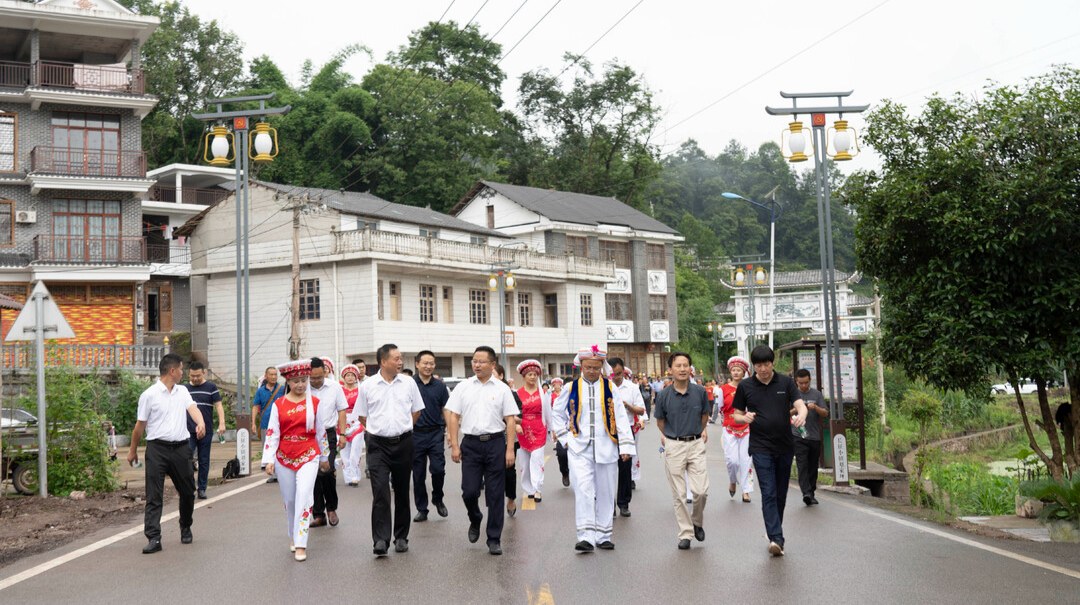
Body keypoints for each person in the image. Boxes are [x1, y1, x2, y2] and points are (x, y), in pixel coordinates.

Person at [552, 345, 635, 552]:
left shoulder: (610, 388)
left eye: (595, 368)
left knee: (606, 492)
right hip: (579, 448)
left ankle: (604, 534)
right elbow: (557, 413)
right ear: (581, 366)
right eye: (587, 367)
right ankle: (586, 536)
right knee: (583, 490)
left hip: (607, 447)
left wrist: (625, 445)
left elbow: (621, 417)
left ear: (601, 368)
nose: (591, 371)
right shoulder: (571, 388)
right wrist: (565, 439)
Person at [731, 345, 808, 557]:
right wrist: (744, 418)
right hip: (760, 446)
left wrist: (802, 414)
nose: (763, 369)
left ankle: (775, 532)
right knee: (768, 491)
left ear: (773, 363)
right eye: (758, 365)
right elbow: (736, 415)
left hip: (784, 445)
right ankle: (776, 537)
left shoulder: (785, 382)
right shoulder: (746, 386)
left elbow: (800, 404)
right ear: (753, 367)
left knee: (781, 494)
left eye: (766, 364)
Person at [127, 353, 205, 554]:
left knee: (188, 491)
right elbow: (139, 426)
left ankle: (185, 525)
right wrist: (132, 450)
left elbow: (193, 408)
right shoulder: (149, 395)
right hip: (157, 450)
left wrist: (200, 422)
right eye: (181, 369)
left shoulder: (183, 392)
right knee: (154, 495)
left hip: (180, 448)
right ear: (172, 371)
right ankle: (154, 537)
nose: (182, 373)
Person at [446, 346, 519, 555]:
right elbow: (453, 416)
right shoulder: (463, 387)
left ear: (492, 364)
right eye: (474, 361)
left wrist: (510, 449)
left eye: (481, 361)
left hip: (496, 443)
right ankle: (475, 517)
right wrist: (456, 445)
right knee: (469, 491)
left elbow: (510, 420)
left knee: (496, 493)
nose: (477, 365)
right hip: (471, 444)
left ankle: (494, 538)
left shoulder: (502, 389)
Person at [356, 344, 425, 556]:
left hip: (404, 443)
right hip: (377, 445)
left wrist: (403, 427)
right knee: (381, 492)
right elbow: (362, 416)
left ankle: (401, 537)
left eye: (400, 358)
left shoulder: (408, 383)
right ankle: (380, 540)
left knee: (403, 491)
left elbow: (416, 411)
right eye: (396, 358)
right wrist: (379, 430)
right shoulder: (368, 386)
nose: (400, 362)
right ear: (383, 361)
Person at [261, 359, 331, 562]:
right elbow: (273, 433)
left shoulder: (315, 404)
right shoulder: (278, 405)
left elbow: (320, 432)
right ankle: (293, 533)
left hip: (309, 454)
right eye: (296, 381)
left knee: (304, 495)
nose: (301, 384)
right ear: (288, 382)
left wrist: (325, 456)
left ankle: (301, 542)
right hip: (284, 457)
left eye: (303, 380)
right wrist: (269, 460)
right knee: (290, 500)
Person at [653, 352, 711, 550]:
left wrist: (695, 432)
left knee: (701, 491)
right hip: (674, 445)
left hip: (695, 444)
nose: (682, 369)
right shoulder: (663, 395)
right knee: (679, 493)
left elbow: (705, 416)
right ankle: (686, 533)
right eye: (678, 365)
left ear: (690, 368)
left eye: (686, 365)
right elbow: (660, 422)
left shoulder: (700, 391)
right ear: (670, 370)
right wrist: (672, 436)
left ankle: (697, 522)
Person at [308, 358, 347, 528]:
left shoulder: (334, 387)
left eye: (319, 377)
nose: (316, 381)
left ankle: (331, 508)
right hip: (309, 435)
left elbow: (342, 410)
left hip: (329, 434)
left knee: (327, 470)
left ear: (325, 372)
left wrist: (343, 434)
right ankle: (318, 514)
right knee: (313, 475)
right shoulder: (302, 387)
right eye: (312, 378)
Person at [413, 350, 450, 522]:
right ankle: (422, 508)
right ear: (417, 364)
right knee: (418, 474)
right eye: (425, 363)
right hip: (416, 435)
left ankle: (438, 498)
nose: (428, 366)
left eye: (431, 363)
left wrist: (450, 432)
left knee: (438, 469)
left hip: (436, 433)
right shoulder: (410, 384)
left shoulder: (440, 386)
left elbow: (446, 409)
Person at [184, 361, 225, 499]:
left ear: (204, 373)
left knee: (204, 460)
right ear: (188, 374)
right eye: (192, 376)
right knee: (186, 460)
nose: (195, 378)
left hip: (206, 430)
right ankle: (189, 488)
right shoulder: (184, 389)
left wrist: (222, 423)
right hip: (188, 430)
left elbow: (218, 406)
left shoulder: (211, 387)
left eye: (198, 376)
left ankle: (202, 488)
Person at [611, 360, 646, 517]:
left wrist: (627, 406)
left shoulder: (632, 388)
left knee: (625, 469)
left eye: (619, 374)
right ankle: (608, 504)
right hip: (607, 433)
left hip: (626, 432)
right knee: (607, 470)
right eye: (613, 374)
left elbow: (641, 410)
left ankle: (624, 503)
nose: (616, 377)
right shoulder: (604, 386)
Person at [515, 359, 551, 503]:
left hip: (538, 428)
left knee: (537, 460)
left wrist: (552, 430)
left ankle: (537, 489)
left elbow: (548, 413)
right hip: (522, 428)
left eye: (535, 374)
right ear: (523, 377)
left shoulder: (543, 393)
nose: (532, 377)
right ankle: (528, 489)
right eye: (529, 374)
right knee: (524, 462)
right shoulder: (517, 393)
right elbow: (513, 413)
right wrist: (516, 425)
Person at [793, 368, 828, 506]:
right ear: (796, 381)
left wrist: (815, 408)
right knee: (802, 465)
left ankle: (811, 492)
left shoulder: (817, 394)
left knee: (813, 466)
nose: (803, 385)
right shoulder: (793, 394)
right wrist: (796, 409)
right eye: (800, 383)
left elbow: (825, 413)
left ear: (810, 381)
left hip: (814, 436)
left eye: (806, 382)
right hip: (798, 436)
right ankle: (806, 492)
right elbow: (785, 413)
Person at [721, 356, 754, 503]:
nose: (735, 372)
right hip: (729, 427)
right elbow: (721, 408)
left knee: (746, 460)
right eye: (733, 370)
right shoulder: (724, 389)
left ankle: (746, 491)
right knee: (732, 461)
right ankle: (732, 480)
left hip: (747, 428)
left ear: (744, 372)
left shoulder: (749, 387)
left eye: (738, 370)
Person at [495, 364, 523, 517]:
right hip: (489, 439)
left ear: (501, 376)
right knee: (493, 472)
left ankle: (511, 498)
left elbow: (519, 416)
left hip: (508, 438)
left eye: (494, 374)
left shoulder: (511, 394)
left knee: (508, 471)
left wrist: (510, 420)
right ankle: (495, 503)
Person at [339, 364, 365, 487]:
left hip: (357, 422)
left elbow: (366, 407)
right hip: (343, 422)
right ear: (344, 377)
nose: (350, 378)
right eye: (347, 375)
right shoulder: (339, 391)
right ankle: (348, 476)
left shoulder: (361, 390)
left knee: (355, 450)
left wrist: (366, 423)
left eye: (352, 375)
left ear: (356, 377)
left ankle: (355, 476)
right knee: (344, 452)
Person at [548, 377, 571, 488]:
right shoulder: (558, 401)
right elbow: (555, 417)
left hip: (578, 434)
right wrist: (555, 432)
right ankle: (565, 472)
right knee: (562, 454)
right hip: (563, 432)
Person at [252, 366, 283, 442]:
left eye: (275, 374)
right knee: (266, 449)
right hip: (265, 425)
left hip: (280, 425)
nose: (274, 377)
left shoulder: (282, 389)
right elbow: (255, 407)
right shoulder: (260, 391)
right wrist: (253, 423)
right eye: (271, 374)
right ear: (265, 376)